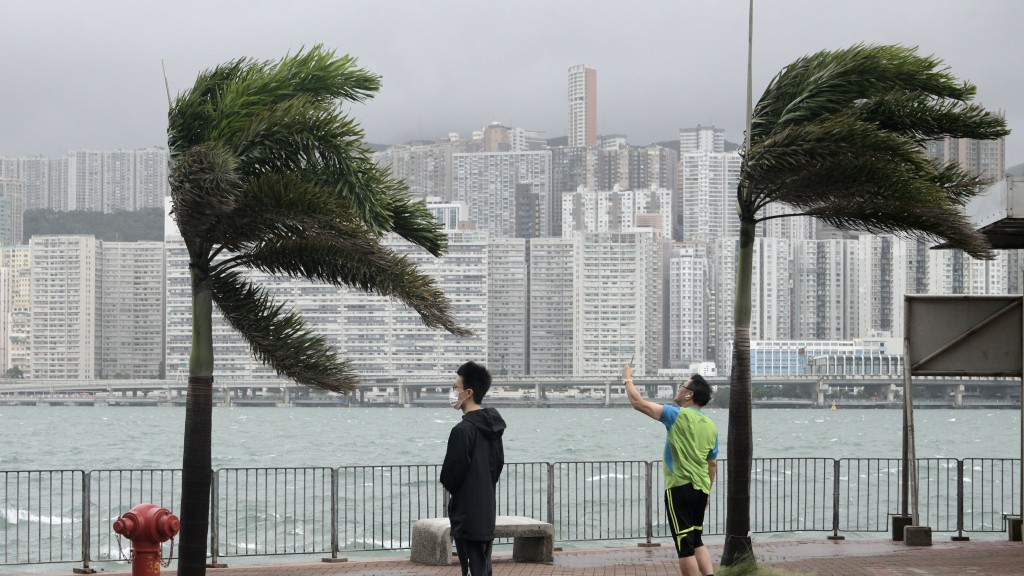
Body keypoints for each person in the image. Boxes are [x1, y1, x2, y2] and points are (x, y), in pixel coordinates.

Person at [623, 363, 718, 576]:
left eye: (682, 386)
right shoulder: (711, 426)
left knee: (685, 546)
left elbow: (638, 403)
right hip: (701, 488)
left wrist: (627, 379)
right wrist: (708, 491)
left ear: (689, 395)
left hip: (679, 488)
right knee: (697, 539)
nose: (679, 388)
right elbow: (712, 464)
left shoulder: (676, 415)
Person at [440, 361, 506, 576]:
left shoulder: (463, 430)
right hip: (486, 509)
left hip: (467, 513)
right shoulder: (494, 428)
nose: (452, 393)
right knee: (483, 567)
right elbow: (497, 466)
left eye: (455, 388)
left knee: (470, 569)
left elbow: (451, 475)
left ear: (468, 392)